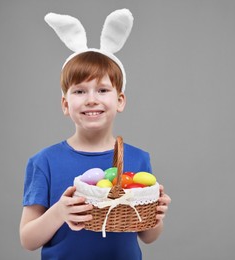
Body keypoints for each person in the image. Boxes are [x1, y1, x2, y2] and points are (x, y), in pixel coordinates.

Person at [19, 9, 171, 260]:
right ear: (65, 104)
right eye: (79, 91)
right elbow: (28, 239)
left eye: (102, 90)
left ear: (120, 100)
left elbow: (148, 236)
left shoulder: (138, 159)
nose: (91, 100)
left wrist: (155, 214)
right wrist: (59, 213)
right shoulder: (44, 161)